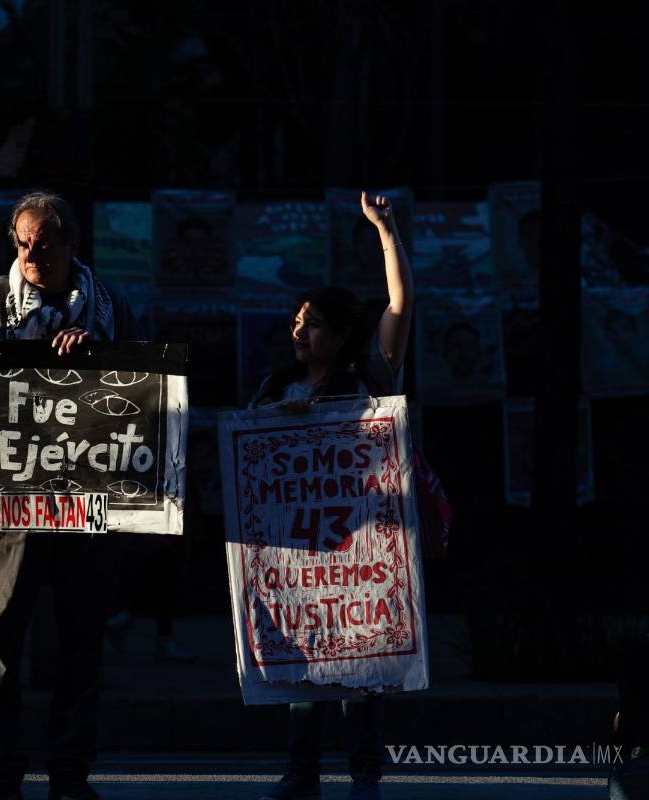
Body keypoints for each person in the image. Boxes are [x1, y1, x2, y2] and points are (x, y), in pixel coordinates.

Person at [0, 191, 141, 800]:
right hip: (11, 507)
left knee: (81, 643)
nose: (30, 252)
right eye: (20, 241)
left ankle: (70, 775)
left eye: (43, 242)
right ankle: (1, 773)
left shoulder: (111, 306)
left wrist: (98, 357)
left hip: (91, 507)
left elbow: (147, 390)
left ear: (71, 245)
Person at [251, 191, 414, 800]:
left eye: (313, 323)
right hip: (299, 554)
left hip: (363, 547)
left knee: (364, 666)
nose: (299, 330)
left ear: (344, 335)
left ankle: (365, 774)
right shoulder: (276, 384)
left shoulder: (371, 376)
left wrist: (385, 229)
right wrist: (278, 416)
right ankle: (301, 771)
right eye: (297, 321)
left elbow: (400, 303)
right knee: (305, 661)